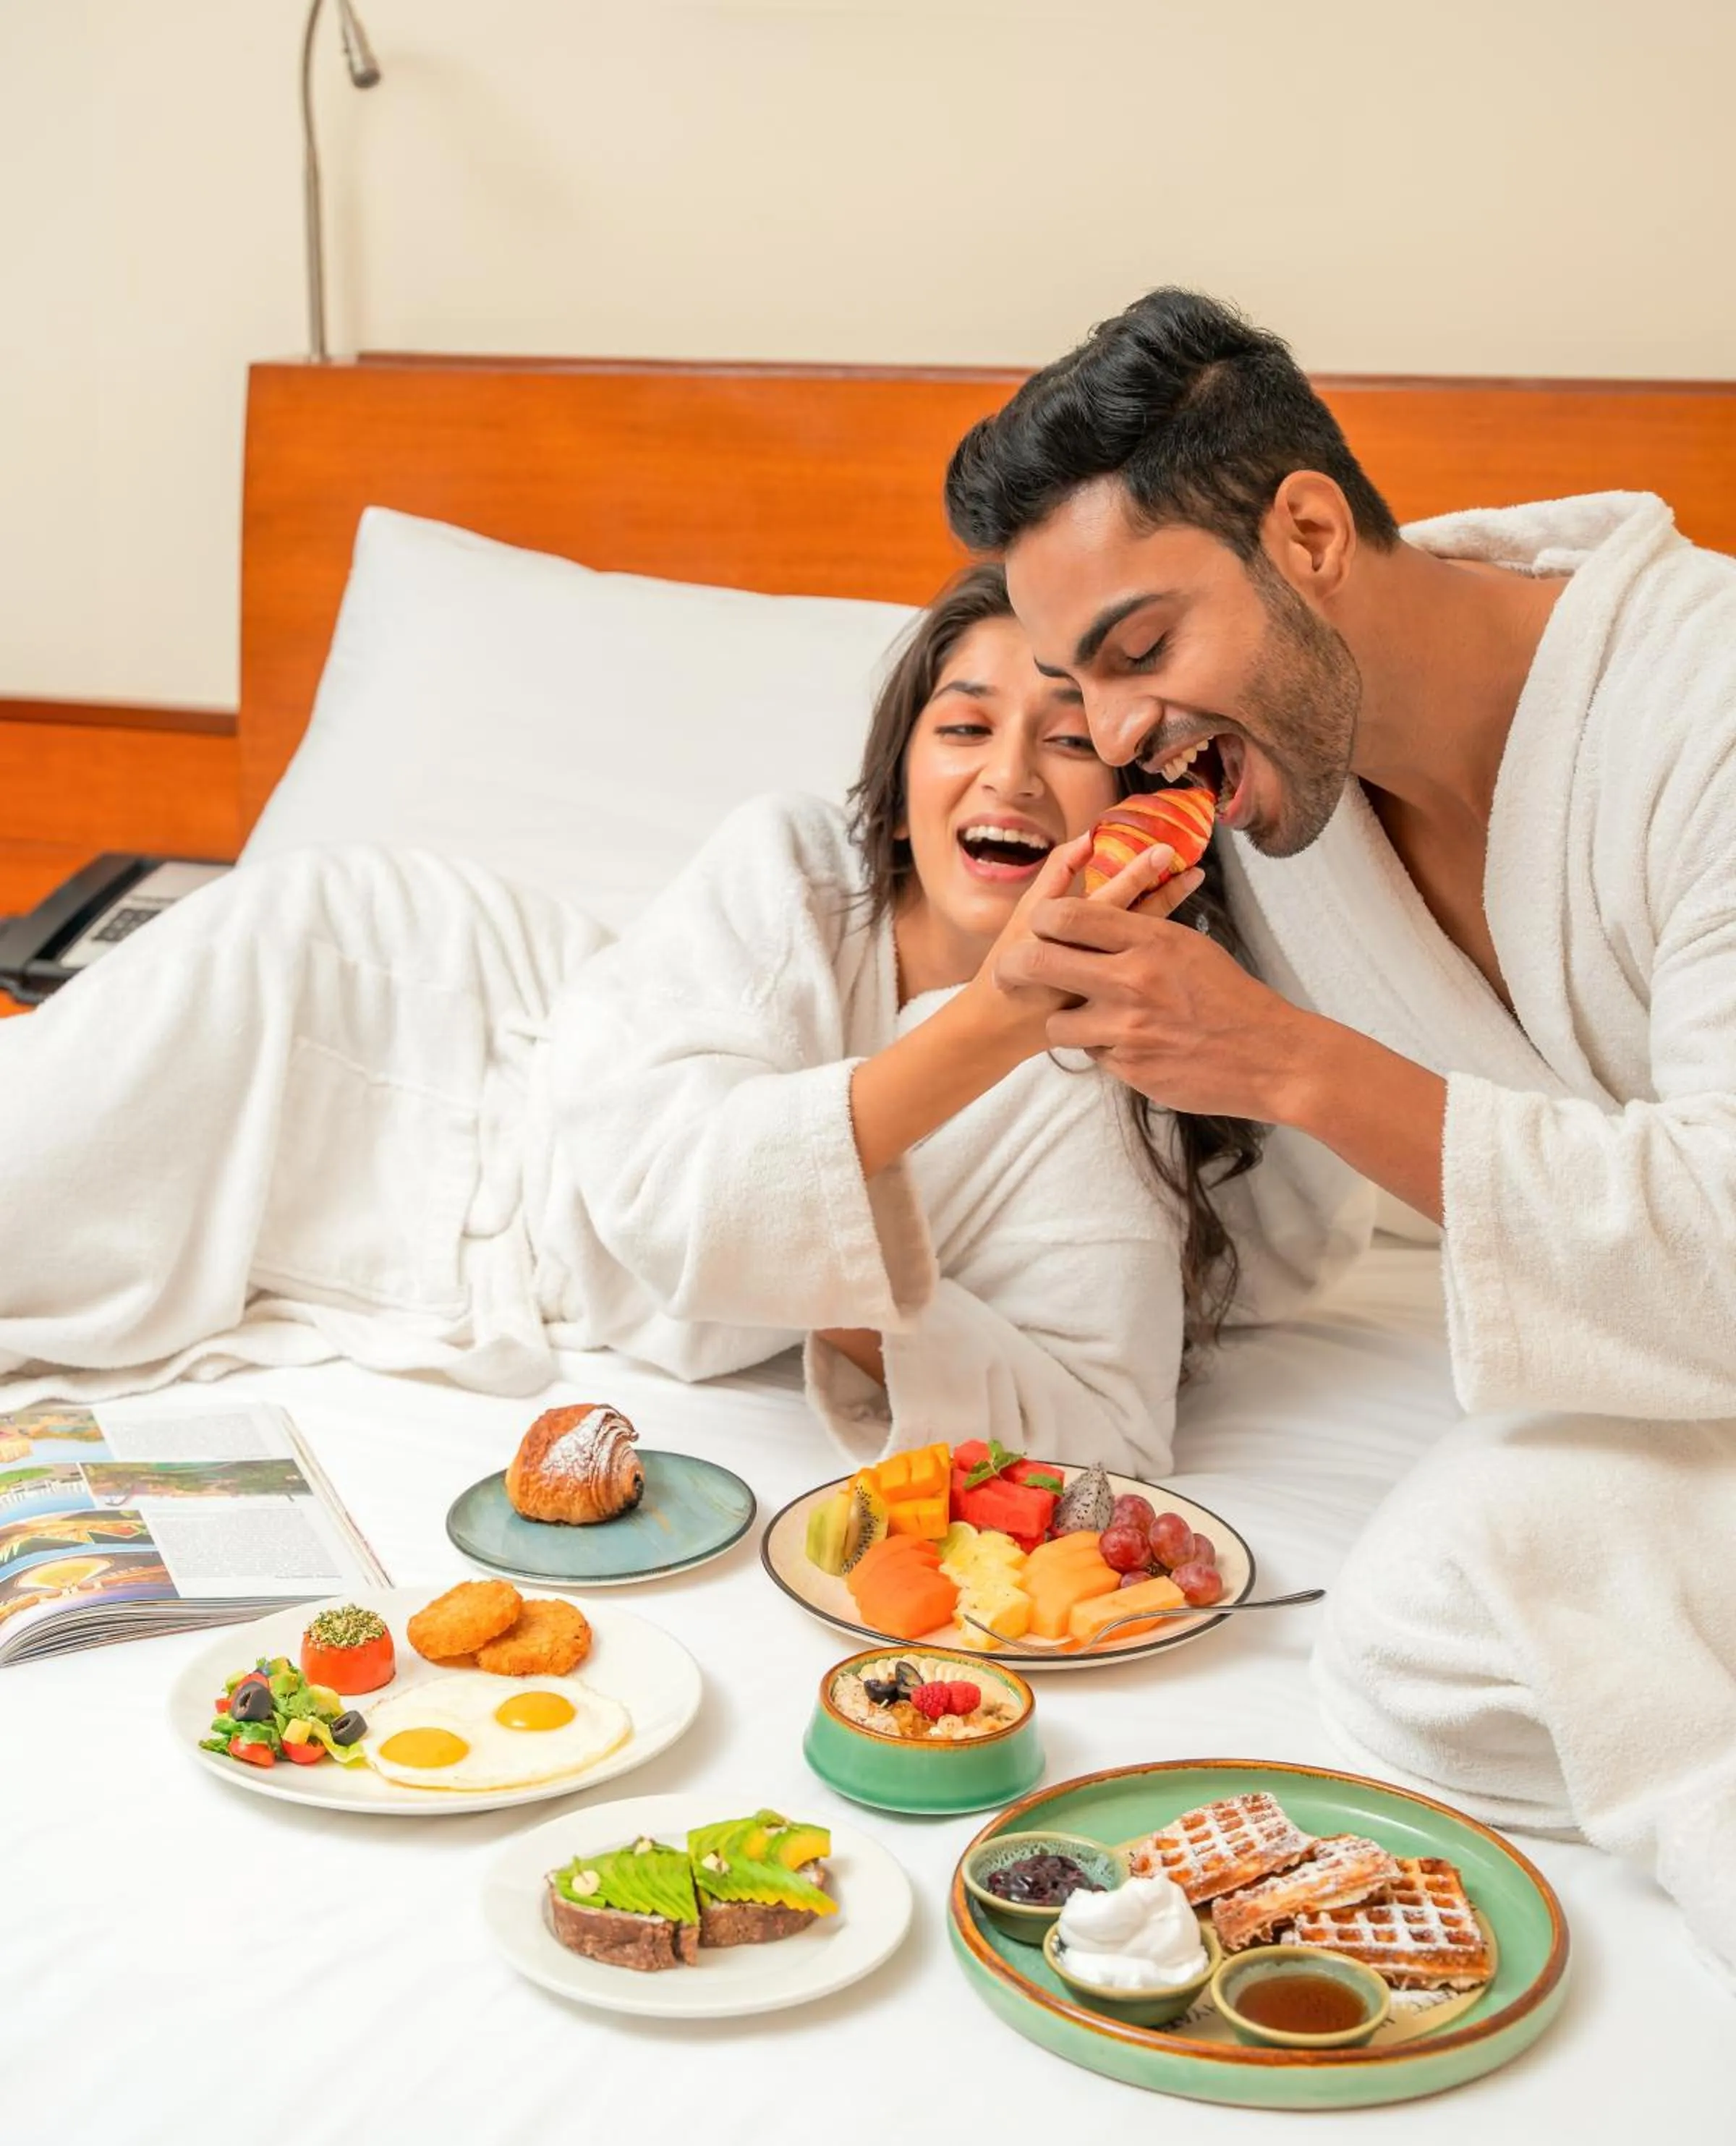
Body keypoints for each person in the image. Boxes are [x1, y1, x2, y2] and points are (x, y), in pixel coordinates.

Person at [942, 286, 1736, 1969]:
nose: (1129, 735)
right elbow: (1292, 1228)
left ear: (1307, 527)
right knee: (1421, 1623)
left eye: (1146, 651)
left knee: (1481, 1566)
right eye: (1088, 689)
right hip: (1686, 1370)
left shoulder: (1704, 709)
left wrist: (1292, 1062)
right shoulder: (1285, 813)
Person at [0, 566, 1340, 1473]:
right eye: (962, 725)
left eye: (1065, 742)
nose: (1005, 775)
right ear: (897, 779)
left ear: (1132, 804)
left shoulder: (1094, 1086)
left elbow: (1101, 1432)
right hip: (363, 991)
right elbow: (665, 1184)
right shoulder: (792, 873)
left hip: (471, 1235)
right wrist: (990, 1019)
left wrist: (878, 1300)